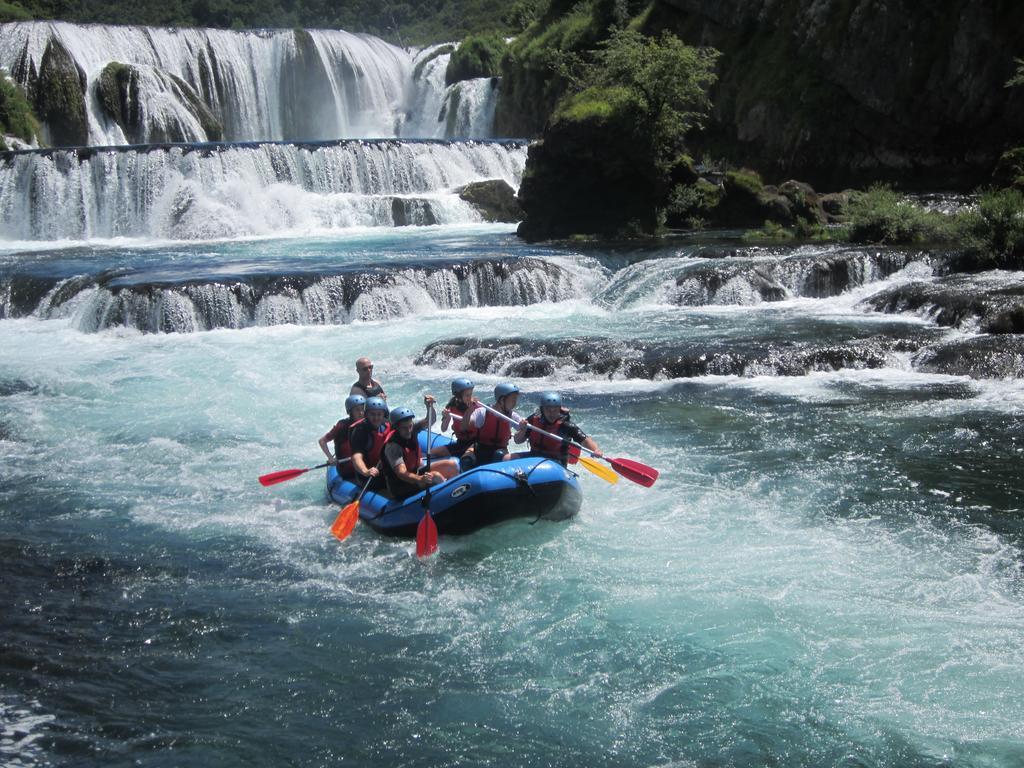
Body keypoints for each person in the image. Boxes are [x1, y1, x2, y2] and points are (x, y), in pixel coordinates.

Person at [380, 397, 460, 500]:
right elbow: (401, 473)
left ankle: (457, 495)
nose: (409, 430)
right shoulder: (393, 446)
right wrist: (419, 479)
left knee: (452, 465)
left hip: (416, 473)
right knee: (435, 476)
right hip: (400, 486)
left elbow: (431, 420)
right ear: (396, 428)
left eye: (410, 426)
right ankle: (448, 499)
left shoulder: (412, 429)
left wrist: (429, 407)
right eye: (404, 428)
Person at [513, 392, 603, 467]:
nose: (552, 413)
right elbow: (517, 440)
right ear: (542, 410)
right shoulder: (533, 420)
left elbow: (585, 440)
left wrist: (596, 450)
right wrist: (523, 430)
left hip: (556, 462)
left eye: (555, 410)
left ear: (559, 409)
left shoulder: (566, 425)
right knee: (507, 458)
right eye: (548, 410)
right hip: (534, 456)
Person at [467, 382, 523, 465]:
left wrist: (523, 429)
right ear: (502, 400)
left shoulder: (513, 416)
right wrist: (470, 410)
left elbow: (521, 436)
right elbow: (468, 424)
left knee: (498, 455)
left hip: (500, 451)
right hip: (480, 449)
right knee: (466, 461)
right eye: (513, 399)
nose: (515, 403)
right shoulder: (483, 412)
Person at [431, 377, 478, 469]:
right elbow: (443, 429)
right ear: (458, 396)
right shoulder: (451, 407)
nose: (470, 398)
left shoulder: (476, 407)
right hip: (461, 443)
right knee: (432, 453)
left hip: (475, 443)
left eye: (471, 394)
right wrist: (447, 417)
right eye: (467, 395)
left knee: (467, 460)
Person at [348, 396, 392, 491]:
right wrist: (366, 471)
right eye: (372, 414)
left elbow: (412, 427)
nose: (376, 418)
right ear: (366, 414)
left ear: (383, 414)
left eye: (379, 414)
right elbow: (356, 457)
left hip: (384, 468)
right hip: (368, 474)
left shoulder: (387, 424)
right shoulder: (359, 431)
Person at [318, 394, 366, 478]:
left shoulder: (367, 423)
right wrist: (330, 458)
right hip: (347, 469)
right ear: (350, 412)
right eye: (357, 410)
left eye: (362, 409)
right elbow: (322, 441)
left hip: (364, 465)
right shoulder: (342, 426)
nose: (361, 413)